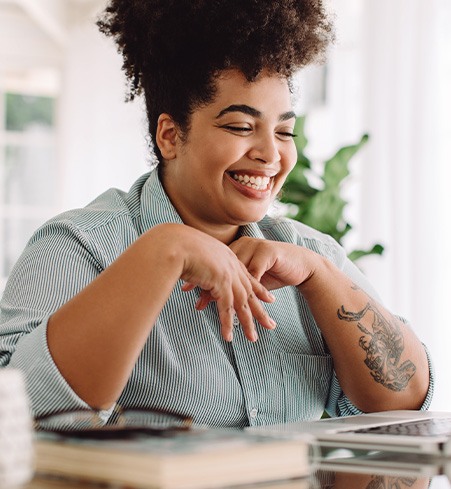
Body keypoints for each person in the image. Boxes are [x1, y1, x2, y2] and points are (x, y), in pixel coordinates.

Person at [0, 0, 433, 427]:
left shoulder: (308, 255)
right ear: (170, 136)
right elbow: (17, 412)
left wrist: (320, 278)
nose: (270, 154)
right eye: (241, 127)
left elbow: (404, 404)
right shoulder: (77, 247)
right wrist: (163, 250)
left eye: (285, 131)